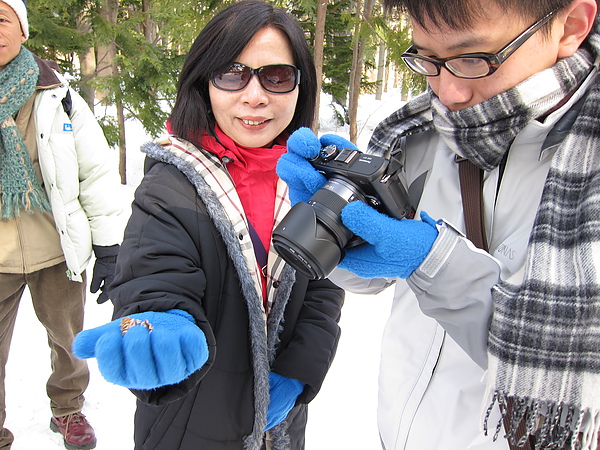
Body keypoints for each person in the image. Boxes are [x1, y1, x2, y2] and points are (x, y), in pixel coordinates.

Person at [277, 0, 600, 449]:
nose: (447, 92)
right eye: (427, 59)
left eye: (472, 59)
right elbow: (376, 278)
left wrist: (438, 266)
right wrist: (332, 232)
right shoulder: (422, 132)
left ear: (572, 26)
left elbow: (576, 360)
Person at [72, 2, 345, 449]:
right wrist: (162, 323)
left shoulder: (310, 183)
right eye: (232, 74)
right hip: (190, 422)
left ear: (301, 87)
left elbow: (325, 287)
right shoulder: (171, 184)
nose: (255, 96)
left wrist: (298, 373)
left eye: (276, 76)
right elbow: (154, 273)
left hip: (282, 426)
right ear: (205, 83)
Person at [0, 0, 125, 449]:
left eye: (1, 18)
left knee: (68, 339)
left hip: (56, 247)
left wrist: (109, 245)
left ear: (23, 30)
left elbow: (94, 171)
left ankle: (68, 408)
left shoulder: (58, 95)